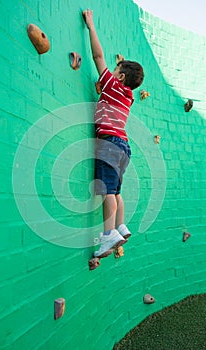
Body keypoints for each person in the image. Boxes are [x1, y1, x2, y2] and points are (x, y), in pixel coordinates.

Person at [83, 9, 144, 258]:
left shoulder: (112, 85)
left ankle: (109, 235)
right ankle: (119, 226)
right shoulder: (128, 96)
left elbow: (97, 56)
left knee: (108, 191)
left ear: (119, 76)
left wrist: (91, 25)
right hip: (123, 146)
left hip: (110, 143)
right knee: (116, 191)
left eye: (115, 68)